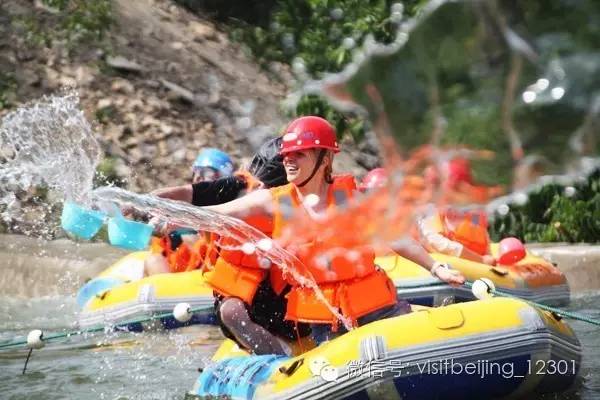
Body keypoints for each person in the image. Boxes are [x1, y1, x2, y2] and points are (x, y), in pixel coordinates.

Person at [197, 116, 465, 351]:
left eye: (298, 154)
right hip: (327, 323)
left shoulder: (352, 199)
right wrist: (171, 213)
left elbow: (395, 237)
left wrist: (436, 267)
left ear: (325, 158)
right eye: (286, 155)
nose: (288, 161)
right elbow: (219, 212)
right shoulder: (273, 201)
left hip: (379, 309)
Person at [416, 206, 496, 265]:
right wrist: (481, 260)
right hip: (442, 266)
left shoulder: (475, 218)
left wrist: (487, 258)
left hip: (478, 269)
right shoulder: (431, 215)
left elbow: (484, 242)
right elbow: (435, 242)